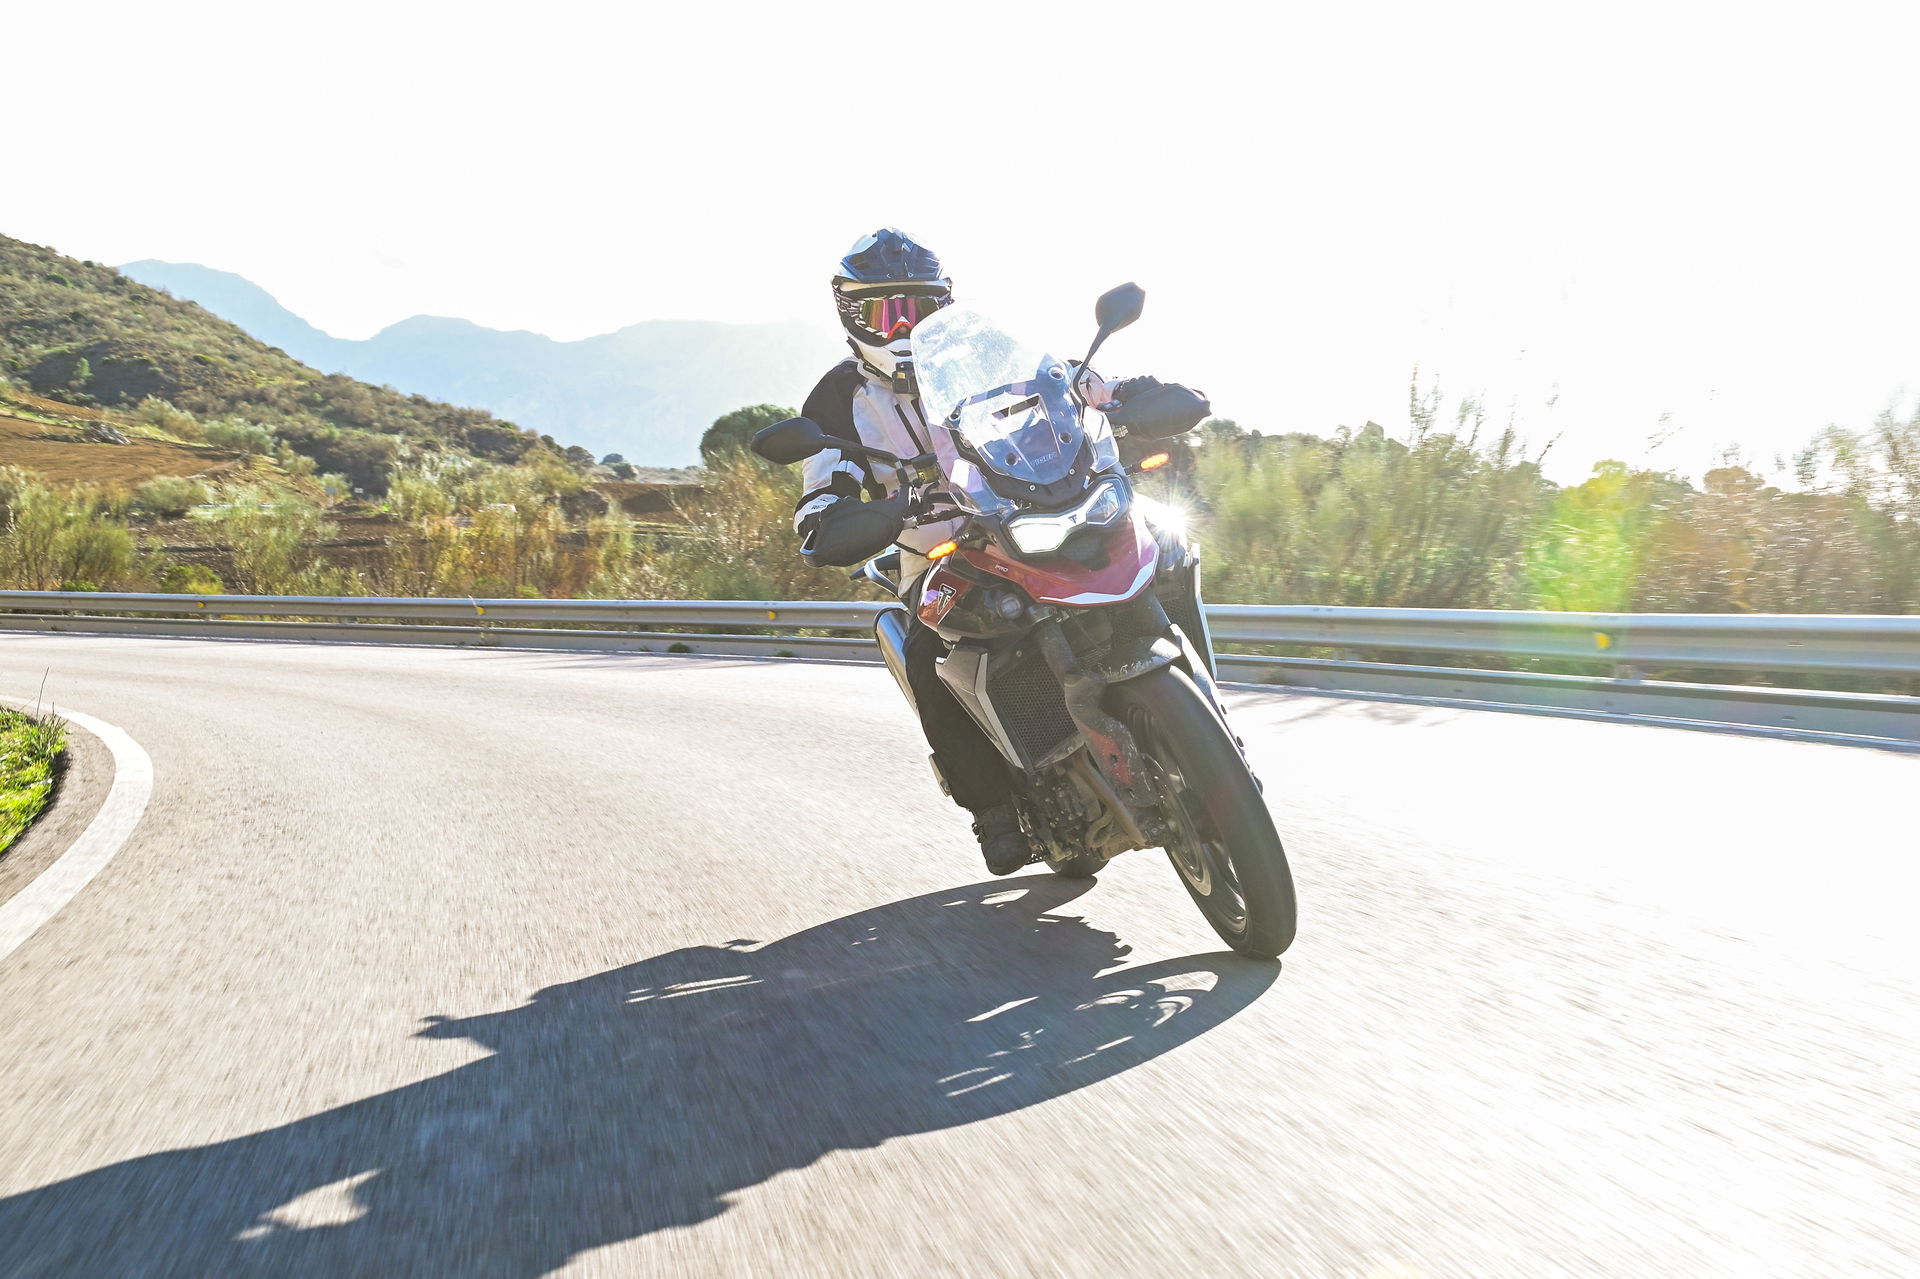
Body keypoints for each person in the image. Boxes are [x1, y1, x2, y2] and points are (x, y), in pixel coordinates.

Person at [790, 228, 1206, 875]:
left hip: (1030, 515)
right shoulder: (838, 400)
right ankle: (992, 808)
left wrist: (1132, 397)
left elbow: (1077, 385)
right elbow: (821, 496)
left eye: (918, 307)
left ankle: (1201, 705)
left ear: (944, 304)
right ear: (853, 316)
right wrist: (843, 517)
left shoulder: (984, 353)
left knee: (1168, 547)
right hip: (939, 554)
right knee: (929, 651)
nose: (905, 325)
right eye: (886, 311)